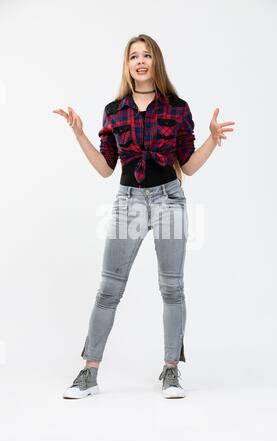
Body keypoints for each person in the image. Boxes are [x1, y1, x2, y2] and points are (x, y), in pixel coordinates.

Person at [52, 34, 235, 400]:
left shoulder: (177, 108)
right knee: (109, 289)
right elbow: (106, 169)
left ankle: (171, 370)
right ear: (127, 64)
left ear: (156, 62)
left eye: (146, 55)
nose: (140, 61)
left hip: (169, 199)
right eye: (133, 56)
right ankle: (89, 372)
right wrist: (79, 134)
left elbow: (189, 167)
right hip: (128, 202)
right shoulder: (115, 110)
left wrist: (213, 141)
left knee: (172, 288)